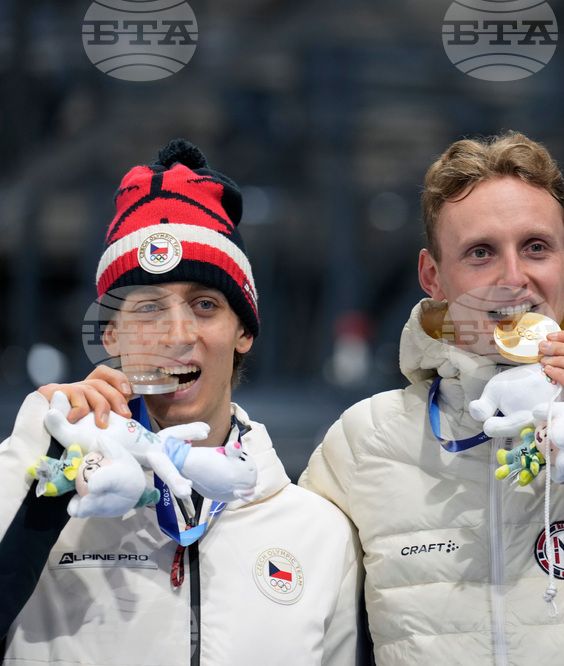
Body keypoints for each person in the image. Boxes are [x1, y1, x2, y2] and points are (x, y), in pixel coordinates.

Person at [298, 131, 564, 665]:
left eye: (536, 248)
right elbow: (299, 626)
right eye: (481, 253)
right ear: (433, 275)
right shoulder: (366, 441)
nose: (513, 278)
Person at [0, 139, 362, 665]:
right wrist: (37, 460)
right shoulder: (46, 486)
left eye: (205, 304)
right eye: (148, 308)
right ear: (112, 335)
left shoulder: (319, 534)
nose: (177, 333)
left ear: (244, 331)